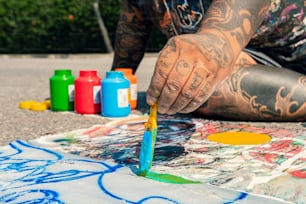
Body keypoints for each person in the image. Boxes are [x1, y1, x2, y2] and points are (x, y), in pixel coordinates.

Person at [111, 0, 306, 121]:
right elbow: (131, 30)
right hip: (249, 57)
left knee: (200, 74)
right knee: (193, 87)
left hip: (298, 50)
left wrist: (214, 40)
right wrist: (114, 82)